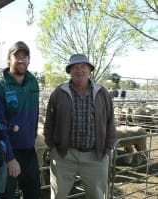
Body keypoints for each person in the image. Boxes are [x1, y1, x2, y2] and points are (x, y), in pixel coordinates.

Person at [43, 53, 116, 199]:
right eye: (75, 67)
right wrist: (53, 148)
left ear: (90, 70)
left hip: (96, 156)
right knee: (58, 195)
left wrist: (107, 150)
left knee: (96, 196)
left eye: (83, 66)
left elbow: (110, 122)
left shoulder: (102, 93)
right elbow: (49, 122)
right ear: (69, 71)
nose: (79, 70)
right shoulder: (59, 93)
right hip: (65, 156)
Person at [0, 41, 41, 199]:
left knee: (34, 193)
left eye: (25, 57)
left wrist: (33, 138)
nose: (21, 60)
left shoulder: (32, 82)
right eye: (17, 56)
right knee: (7, 195)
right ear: (9, 59)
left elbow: (35, 113)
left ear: (29, 60)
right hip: (6, 153)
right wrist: (10, 157)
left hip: (29, 150)